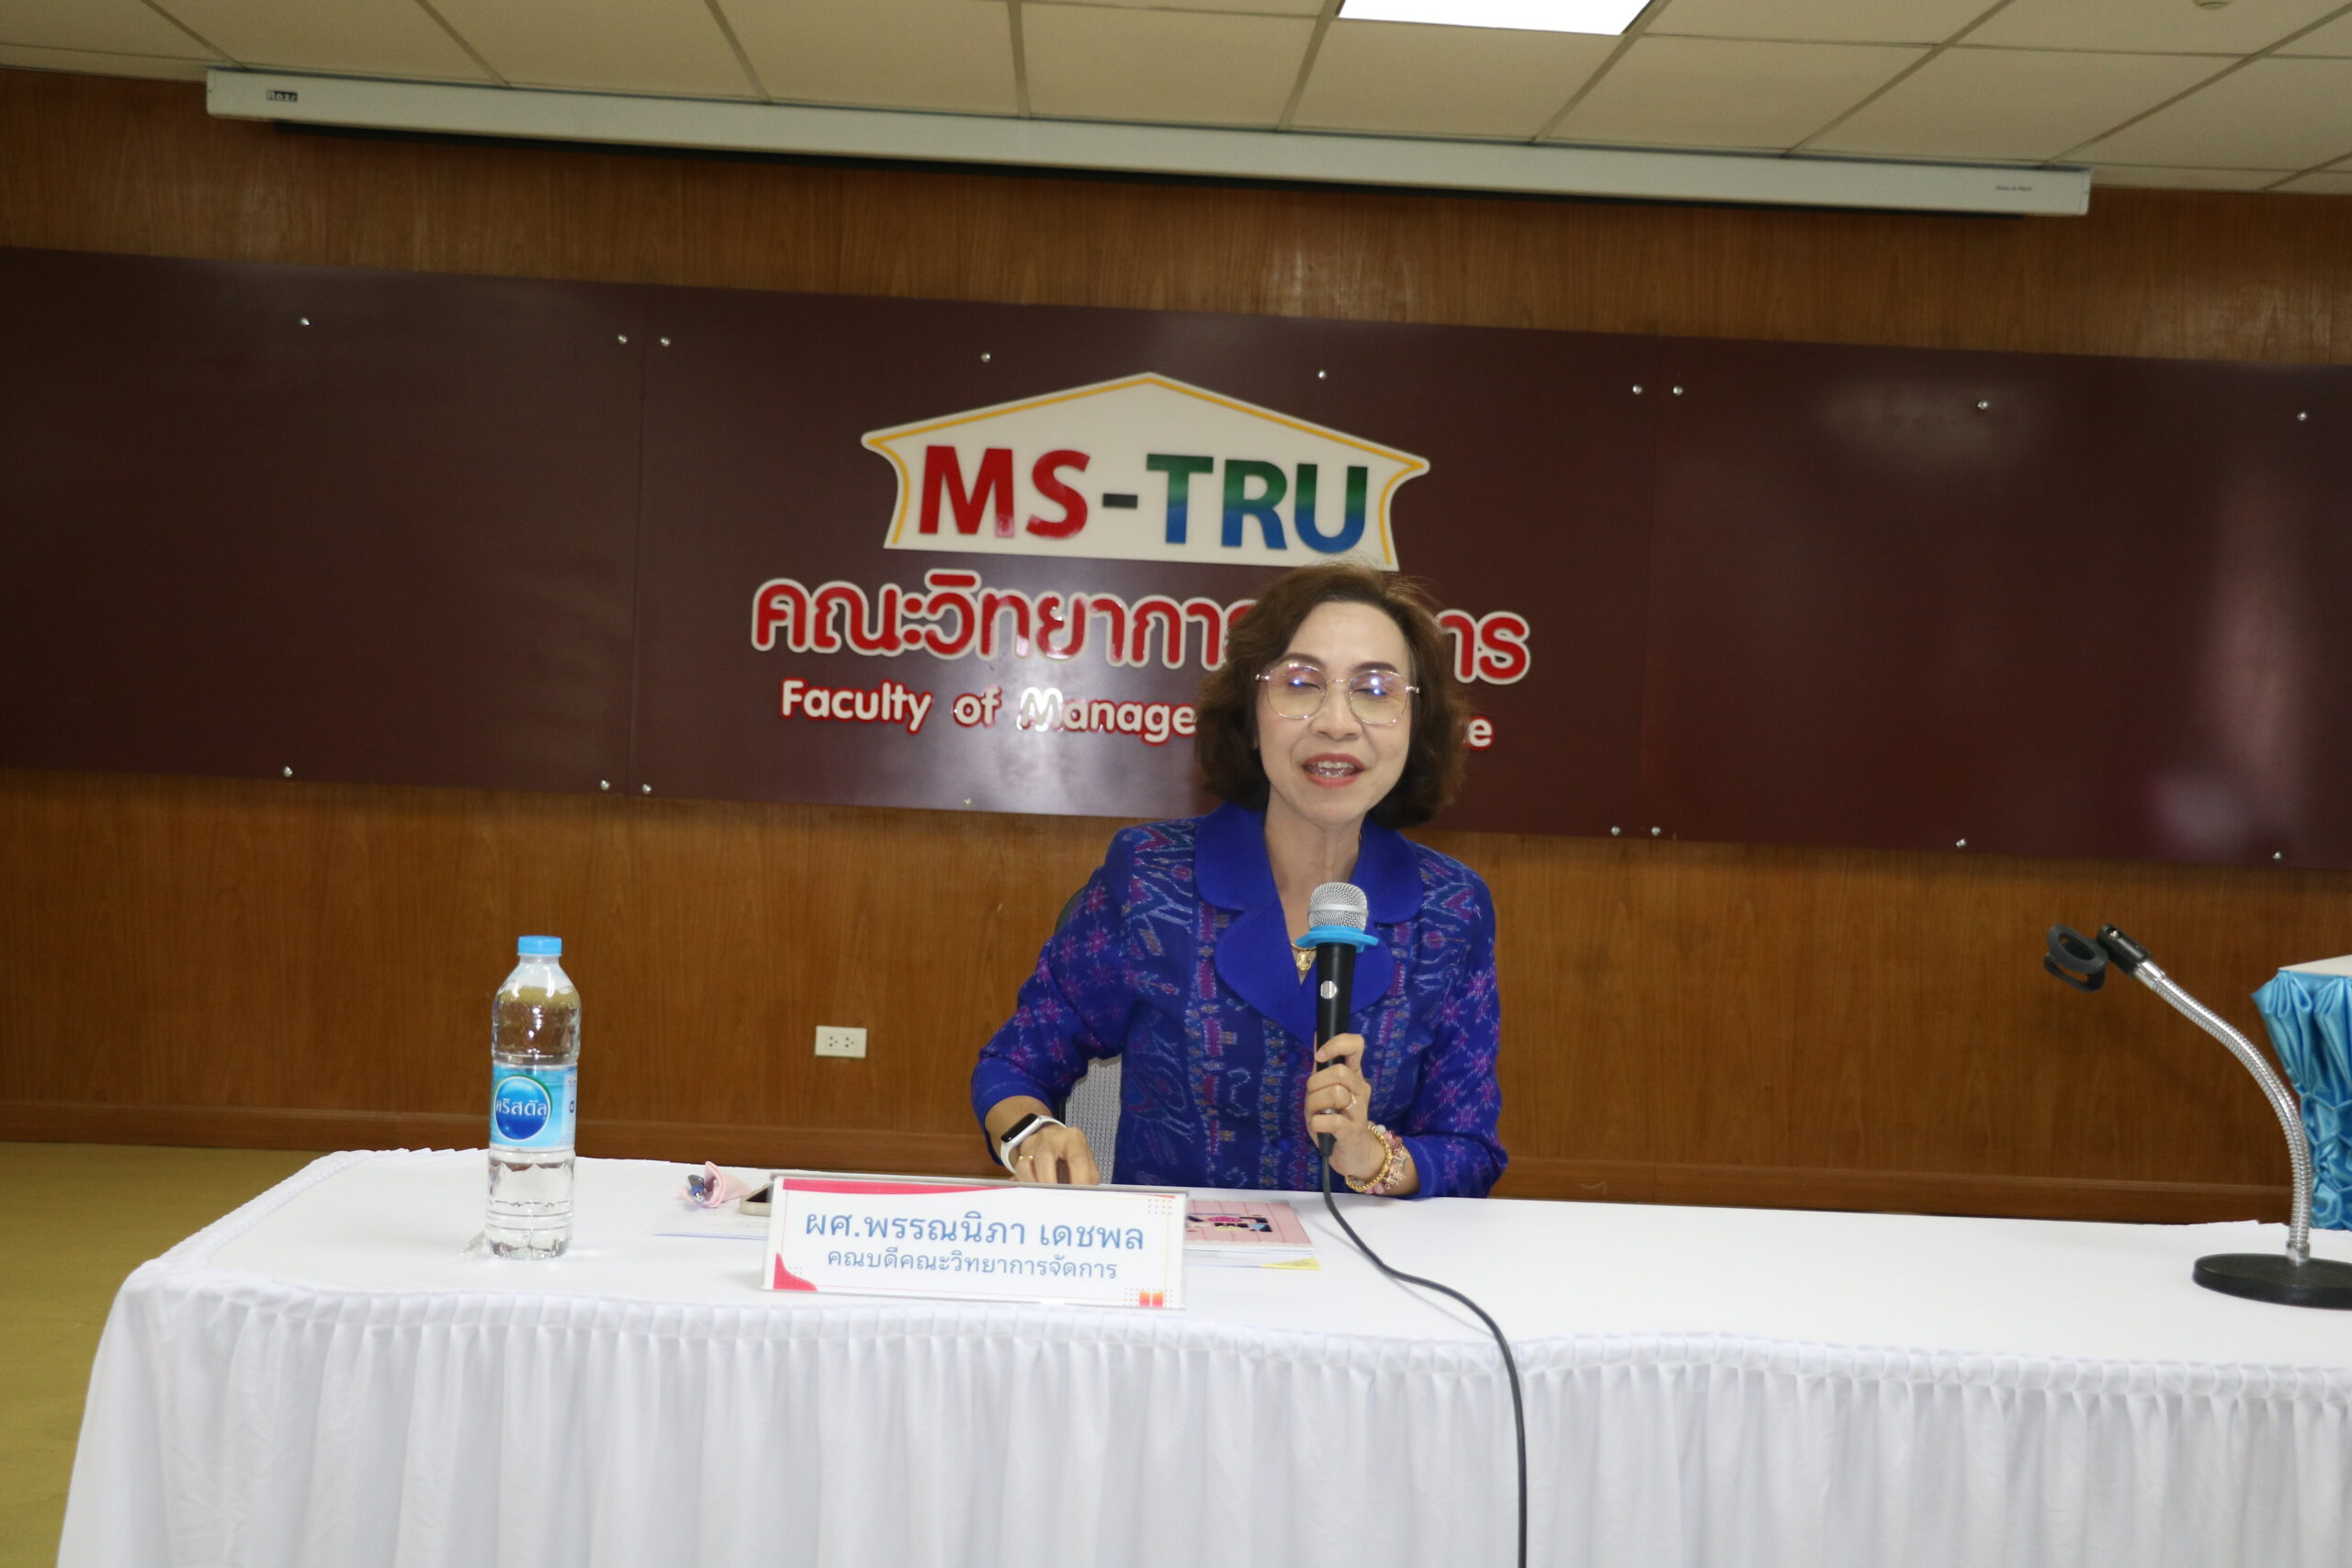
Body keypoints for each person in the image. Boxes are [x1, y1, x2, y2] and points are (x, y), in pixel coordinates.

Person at [970, 562, 1505, 1198]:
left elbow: (1469, 1150)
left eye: (1375, 690)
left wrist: (1373, 1157)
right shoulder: (1152, 879)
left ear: (1415, 726)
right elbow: (1015, 1064)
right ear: (1252, 719)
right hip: (1180, 1251)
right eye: (1301, 684)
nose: (1337, 721)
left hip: (1366, 1258)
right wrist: (1033, 1135)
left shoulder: (1451, 909)